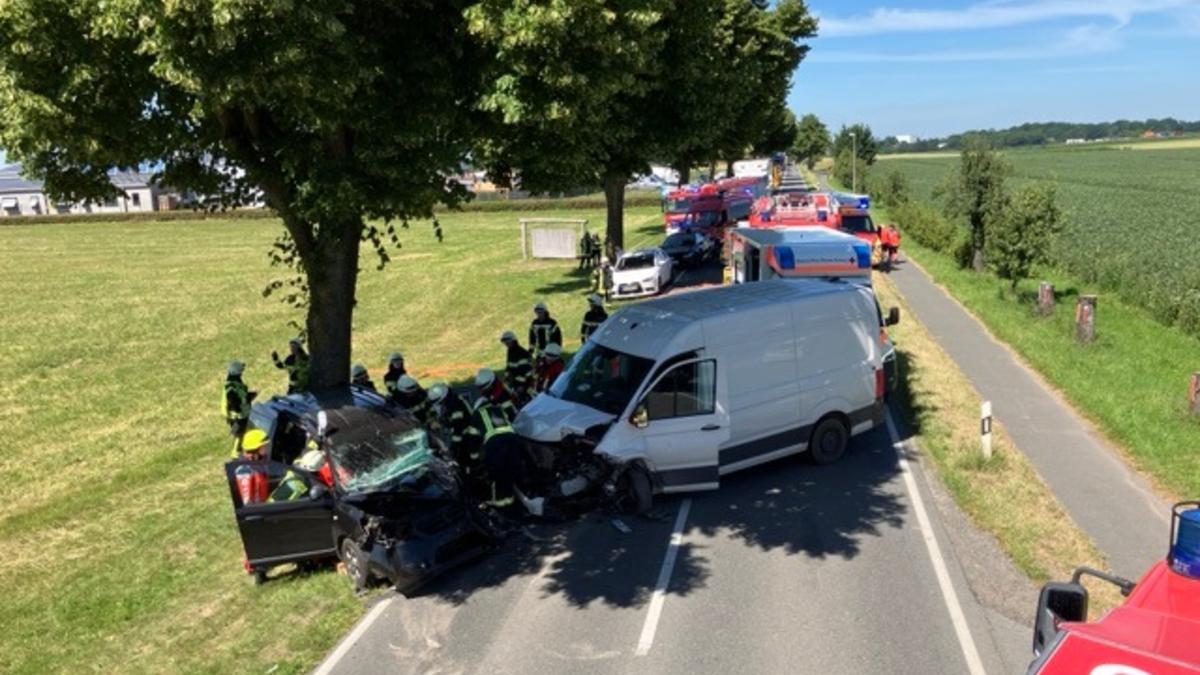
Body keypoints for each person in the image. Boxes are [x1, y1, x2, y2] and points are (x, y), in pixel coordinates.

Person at [469, 397, 526, 514]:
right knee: (511, 472)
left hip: (495, 443)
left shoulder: (477, 414)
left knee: (498, 474)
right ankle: (511, 503)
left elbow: (473, 439)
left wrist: (473, 458)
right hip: (513, 439)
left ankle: (499, 505)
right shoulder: (498, 408)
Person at [427, 382, 473, 462]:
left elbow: (458, 429)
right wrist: (435, 420)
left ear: (442, 399)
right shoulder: (449, 399)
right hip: (459, 427)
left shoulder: (456, 406)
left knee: (462, 455)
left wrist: (454, 449)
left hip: (467, 432)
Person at [223, 361, 257, 456]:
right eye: (241, 371)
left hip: (243, 414)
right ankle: (236, 453)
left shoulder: (236, 384)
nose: (242, 372)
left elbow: (242, 396)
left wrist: (250, 396)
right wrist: (238, 409)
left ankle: (249, 449)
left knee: (249, 431)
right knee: (239, 435)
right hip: (238, 416)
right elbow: (233, 400)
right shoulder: (231, 386)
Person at [235, 428, 271, 505]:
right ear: (255, 449)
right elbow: (246, 501)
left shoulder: (260, 462)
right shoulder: (244, 470)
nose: (265, 448)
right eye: (263, 446)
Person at [499, 330, 534, 404]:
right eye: (505, 343)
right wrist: (506, 378)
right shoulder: (510, 351)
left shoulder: (521, 353)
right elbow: (509, 367)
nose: (506, 345)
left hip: (523, 383)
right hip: (514, 381)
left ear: (513, 341)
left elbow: (526, 373)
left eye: (508, 342)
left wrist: (520, 386)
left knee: (522, 401)